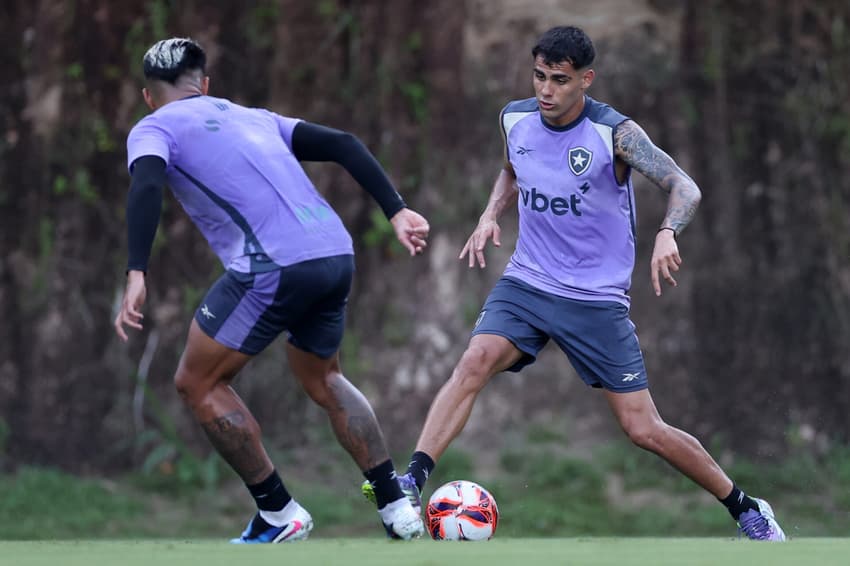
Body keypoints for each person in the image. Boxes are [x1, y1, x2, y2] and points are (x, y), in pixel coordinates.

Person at [363, 25, 785, 541]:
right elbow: (512, 169)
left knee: (643, 429)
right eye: (539, 76)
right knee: (474, 361)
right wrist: (490, 214)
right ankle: (411, 483)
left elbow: (684, 185)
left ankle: (746, 508)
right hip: (528, 281)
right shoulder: (515, 119)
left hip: (594, 299)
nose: (546, 90)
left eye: (559, 80)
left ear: (586, 79)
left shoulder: (615, 134)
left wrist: (667, 233)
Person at [114, 37, 428, 543]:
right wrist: (397, 211)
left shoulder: (153, 127)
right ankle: (396, 507)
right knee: (325, 377)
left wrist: (136, 271)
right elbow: (344, 144)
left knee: (197, 382)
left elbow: (147, 184)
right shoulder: (255, 116)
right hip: (334, 253)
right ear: (205, 85)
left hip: (272, 266)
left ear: (148, 96)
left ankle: (279, 512)